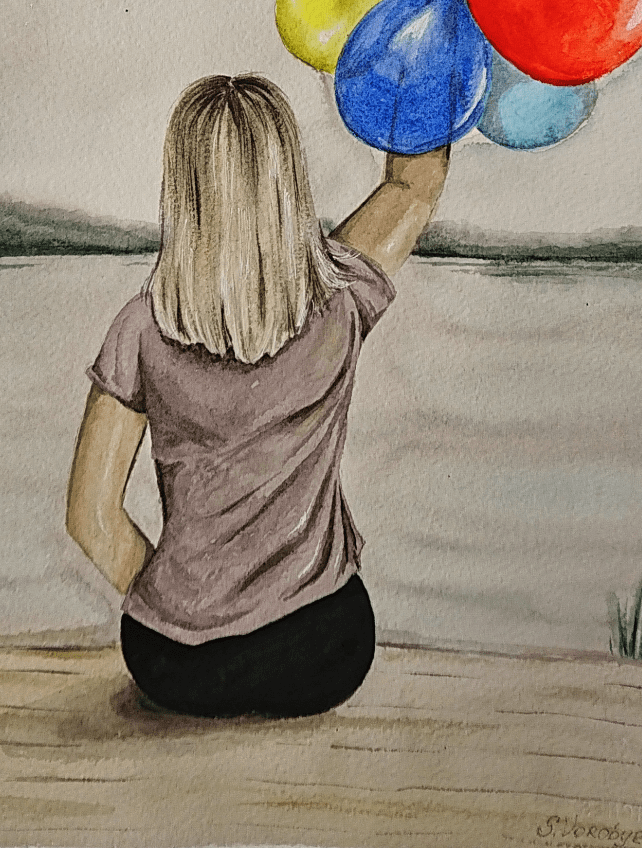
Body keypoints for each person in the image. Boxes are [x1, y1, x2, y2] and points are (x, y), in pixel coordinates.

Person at [66, 74, 449, 717]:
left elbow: (91, 519)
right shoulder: (340, 302)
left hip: (177, 666)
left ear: (182, 191)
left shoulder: (140, 329)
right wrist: (422, 57)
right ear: (288, 181)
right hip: (324, 651)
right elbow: (415, 185)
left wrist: (177, 604)